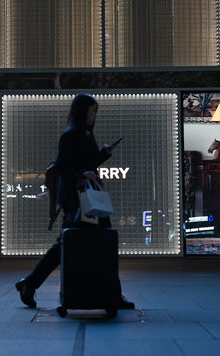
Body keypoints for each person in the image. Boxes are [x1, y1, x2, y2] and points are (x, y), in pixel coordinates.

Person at [15, 93, 134, 309]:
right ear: (82, 112)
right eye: (91, 111)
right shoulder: (71, 136)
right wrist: (83, 173)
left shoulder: (83, 134)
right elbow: (63, 167)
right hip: (77, 201)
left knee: (70, 246)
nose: (93, 115)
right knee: (99, 245)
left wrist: (102, 156)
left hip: (83, 200)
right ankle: (113, 296)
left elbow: (84, 163)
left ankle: (30, 284)